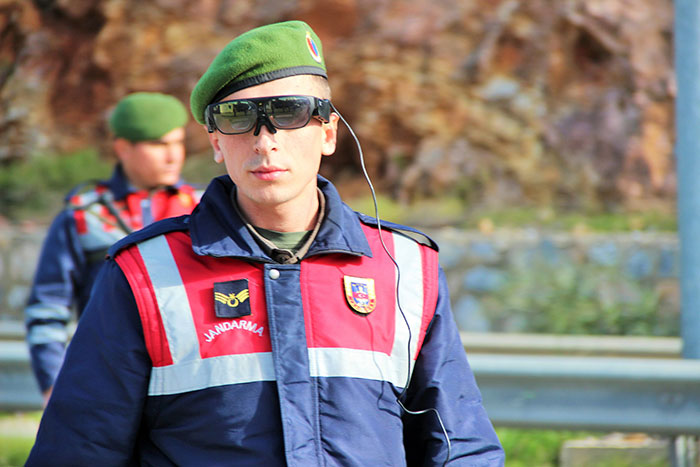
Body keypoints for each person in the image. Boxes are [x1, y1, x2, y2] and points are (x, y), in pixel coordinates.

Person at [27, 21, 504, 465]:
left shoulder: (405, 267)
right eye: (238, 116)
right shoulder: (144, 273)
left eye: (289, 112)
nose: (265, 140)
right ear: (216, 142)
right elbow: (77, 451)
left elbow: (460, 448)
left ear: (328, 132)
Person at [24, 92, 199, 403]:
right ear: (123, 148)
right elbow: (48, 308)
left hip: (188, 383)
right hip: (106, 382)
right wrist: (53, 386)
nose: (173, 156)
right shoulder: (84, 216)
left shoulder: (202, 211)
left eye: (178, 142)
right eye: (159, 144)